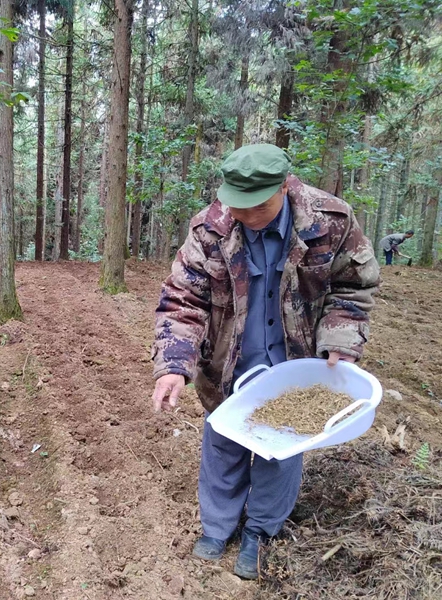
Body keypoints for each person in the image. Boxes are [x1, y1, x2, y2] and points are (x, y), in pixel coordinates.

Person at [151, 144, 380, 580]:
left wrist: (340, 341)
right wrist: (173, 365)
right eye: (234, 203)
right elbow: (183, 299)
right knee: (222, 439)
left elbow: (353, 287)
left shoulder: (330, 221)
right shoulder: (211, 228)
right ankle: (217, 528)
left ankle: (259, 531)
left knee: (281, 446)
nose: (239, 213)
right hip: (229, 360)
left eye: (252, 206)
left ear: (282, 187)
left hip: (293, 361)